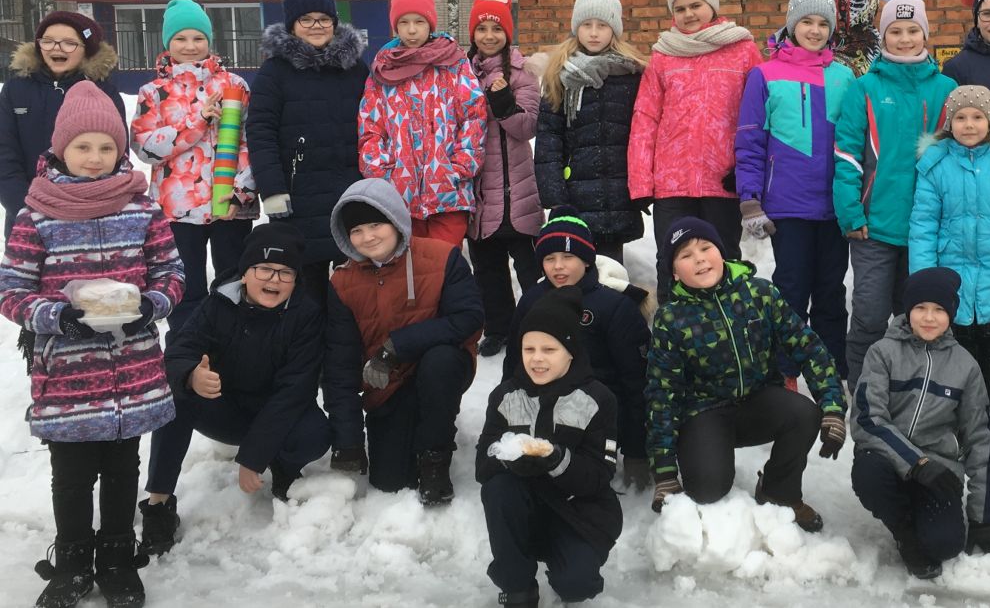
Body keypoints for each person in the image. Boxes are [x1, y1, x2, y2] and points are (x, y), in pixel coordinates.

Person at [0, 81, 184, 608]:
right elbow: (11, 290)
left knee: (124, 468)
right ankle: (73, 563)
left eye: (106, 147)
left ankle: (118, 560)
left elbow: (172, 273)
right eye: (83, 146)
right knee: (72, 475)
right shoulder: (37, 214)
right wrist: (58, 317)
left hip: (132, 366)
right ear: (61, 147)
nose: (95, 157)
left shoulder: (142, 209)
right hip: (68, 371)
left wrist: (152, 304)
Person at [140, 223, 332, 556]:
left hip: (276, 411)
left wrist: (254, 457)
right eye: (264, 269)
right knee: (174, 395)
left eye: (285, 273)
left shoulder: (307, 314)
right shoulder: (218, 304)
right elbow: (178, 352)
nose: (274, 280)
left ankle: (283, 465)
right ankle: (159, 503)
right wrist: (191, 376)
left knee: (315, 433)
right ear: (245, 273)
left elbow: (294, 391)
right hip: (224, 407)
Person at [645, 217, 845, 532]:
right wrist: (665, 473)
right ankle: (704, 459)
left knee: (804, 413)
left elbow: (809, 348)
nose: (699, 259)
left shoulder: (760, 293)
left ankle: (779, 491)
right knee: (707, 489)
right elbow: (661, 395)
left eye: (705, 248)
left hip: (758, 401)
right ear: (674, 272)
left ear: (720, 252)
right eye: (685, 255)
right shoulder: (671, 318)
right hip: (704, 411)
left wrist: (833, 406)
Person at [322, 177, 485, 505]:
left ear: (395, 220)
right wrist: (348, 441)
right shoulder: (342, 282)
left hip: (438, 369)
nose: (368, 237)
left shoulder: (442, 257)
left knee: (440, 361)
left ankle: (435, 459)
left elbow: (468, 318)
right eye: (356, 230)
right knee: (389, 482)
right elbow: (340, 362)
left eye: (375, 225)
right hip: (387, 384)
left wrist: (397, 345)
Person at [850, 267, 990, 580]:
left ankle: (923, 518)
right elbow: (868, 419)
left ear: (951, 315)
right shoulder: (883, 353)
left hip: (938, 473)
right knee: (868, 472)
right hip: (887, 462)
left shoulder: (965, 366)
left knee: (945, 545)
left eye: (939, 309)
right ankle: (904, 531)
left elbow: (981, 439)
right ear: (908, 310)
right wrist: (917, 463)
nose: (929, 317)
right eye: (920, 307)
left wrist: (983, 520)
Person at [735, 0, 856, 376]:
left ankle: (831, 372)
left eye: (823, 23)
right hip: (787, 206)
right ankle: (784, 375)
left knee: (831, 292)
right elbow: (750, 140)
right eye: (806, 21)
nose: (815, 30)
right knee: (790, 291)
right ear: (791, 24)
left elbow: (856, 143)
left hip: (834, 206)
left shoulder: (844, 77)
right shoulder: (765, 75)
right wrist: (750, 200)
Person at [833, 0, 957, 381]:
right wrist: (851, 212)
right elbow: (846, 154)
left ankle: (908, 392)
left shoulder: (947, 88)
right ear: (883, 36)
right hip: (874, 226)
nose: (904, 39)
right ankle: (862, 393)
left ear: (925, 34)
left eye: (912, 30)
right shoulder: (864, 88)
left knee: (916, 319)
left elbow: (963, 149)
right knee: (869, 315)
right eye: (895, 31)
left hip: (925, 228)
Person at [478, 287, 622, 607]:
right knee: (498, 488)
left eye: (549, 349)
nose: (537, 358)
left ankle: (571, 567)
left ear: (570, 351)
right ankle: (517, 586)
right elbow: (483, 463)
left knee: (576, 585)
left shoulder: (598, 399)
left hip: (577, 512)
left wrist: (556, 459)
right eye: (528, 348)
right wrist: (508, 458)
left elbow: (600, 474)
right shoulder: (505, 396)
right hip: (525, 509)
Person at [629, 0, 763, 296]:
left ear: (711, 6)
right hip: (672, 183)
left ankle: (728, 322)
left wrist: (748, 172)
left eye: (695, 5)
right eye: (680, 8)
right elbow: (645, 118)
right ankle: (672, 325)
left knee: (723, 259)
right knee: (672, 262)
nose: (688, 14)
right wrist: (641, 181)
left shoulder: (742, 50)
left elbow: (759, 114)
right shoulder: (663, 55)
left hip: (723, 179)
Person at [908, 85, 990, 415]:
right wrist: (924, 279)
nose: (969, 125)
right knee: (955, 358)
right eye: (961, 117)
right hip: (951, 278)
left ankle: (988, 418)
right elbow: (923, 225)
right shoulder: (935, 165)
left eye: (977, 117)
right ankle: (955, 419)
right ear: (949, 123)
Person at [131, 0, 258, 336]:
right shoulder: (153, 92)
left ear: (209, 40)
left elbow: (252, 142)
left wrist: (242, 192)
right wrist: (196, 121)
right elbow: (145, 148)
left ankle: (232, 348)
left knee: (233, 282)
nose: (190, 46)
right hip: (177, 208)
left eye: (198, 38)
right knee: (184, 285)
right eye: (181, 38)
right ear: (167, 42)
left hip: (229, 205)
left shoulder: (235, 86)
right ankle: (187, 351)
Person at [505, 209, 651, 491]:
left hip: (600, 414)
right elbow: (513, 366)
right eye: (549, 258)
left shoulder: (613, 305)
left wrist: (637, 450)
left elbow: (636, 381)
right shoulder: (531, 301)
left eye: (568, 257)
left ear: (586, 259)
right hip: (543, 410)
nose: (558, 266)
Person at [247, 0, 369, 306]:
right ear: (292, 25)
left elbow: (374, 122)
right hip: (297, 198)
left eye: (324, 19)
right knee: (305, 293)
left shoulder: (355, 68)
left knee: (352, 291)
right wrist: (272, 190)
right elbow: (260, 131)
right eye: (307, 19)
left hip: (349, 192)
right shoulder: (274, 72)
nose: (317, 26)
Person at [357, 0, 487, 248]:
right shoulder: (383, 70)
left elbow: (473, 117)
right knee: (409, 267)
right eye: (404, 22)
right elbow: (370, 127)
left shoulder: (453, 63)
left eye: (419, 21)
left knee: (444, 264)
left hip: (448, 192)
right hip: (399, 195)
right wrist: (383, 175)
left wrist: (458, 167)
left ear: (431, 23)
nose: (412, 30)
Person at [535, 0, 650, 264]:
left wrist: (640, 187)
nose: (595, 32)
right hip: (575, 197)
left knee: (613, 273)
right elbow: (549, 141)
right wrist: (556, 197)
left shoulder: (632, 74)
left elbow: (642, 135)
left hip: (618, 196)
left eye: (602, 24)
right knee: (575, 272)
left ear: (615, 29)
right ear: (577, 27)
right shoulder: (561, 74)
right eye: (587, 24)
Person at [466, 0, 543, 358]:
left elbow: (527, 127)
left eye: (496, 29)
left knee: (529, 267)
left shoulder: (520, 72)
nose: (489, 35)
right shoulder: (463, 73)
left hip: (516, 192)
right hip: (479, 191)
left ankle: (537, 324)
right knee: (487, 269)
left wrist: (502, 102)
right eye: (482, 28)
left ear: (508, 33)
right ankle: (498, 328)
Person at [0, 11, 122, 238]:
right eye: (48, 41)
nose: (57, 48)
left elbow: (115, 153)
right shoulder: (16, 89)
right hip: (28, 215)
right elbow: (4, 154)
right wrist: (25, 210)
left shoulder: (102, 90)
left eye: (69, 43)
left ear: (86, 49)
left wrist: (91, 208)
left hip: (89, 217)